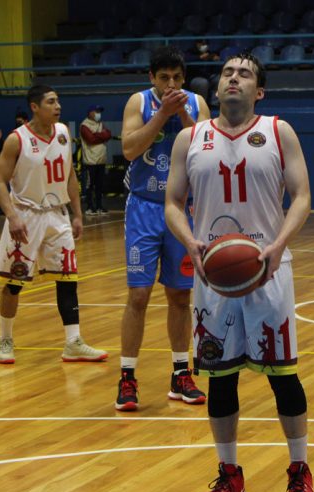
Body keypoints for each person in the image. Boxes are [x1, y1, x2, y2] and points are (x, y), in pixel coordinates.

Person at [165, 53, 314, 492]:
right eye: (228, 73)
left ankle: (299, 471)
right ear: (216, 89)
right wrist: (190, 243)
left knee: (283, 378)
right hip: (213, 273)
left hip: (269, 270)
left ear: (259, 91)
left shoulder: (277, 131)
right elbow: (172, 202)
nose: (233, 78)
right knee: (220, 379)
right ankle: (230, 475)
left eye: (244, 73)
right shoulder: (191, 138)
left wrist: (278, 245)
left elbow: (303, 196)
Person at [115, 45, 211, 411]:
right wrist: (160, 117)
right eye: (163, 77)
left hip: (183, 210)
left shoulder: (197, 102)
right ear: (152, 79)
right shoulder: (137, 103)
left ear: (183, 77)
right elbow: (128, 149)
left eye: (176, 77)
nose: (171, 83)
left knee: (180, 296)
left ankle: (180, 373)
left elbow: (207, 145)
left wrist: (181, 114)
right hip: (144, 206)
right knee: (138, 296)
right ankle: (127, 378)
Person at [0, 85, 107, 365]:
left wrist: (77, 214)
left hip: (57, 214)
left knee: (68, 279)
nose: (58, 106)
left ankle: (73, 342)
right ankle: (5, 339)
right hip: (26, 214)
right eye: (51, 102)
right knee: (14, 281)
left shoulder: (65, 133)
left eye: (58, 102)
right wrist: (12, 215)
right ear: (34, 106)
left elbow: (70, 177)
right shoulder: (16, 140)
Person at [79, 104, 112, 216]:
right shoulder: (84, 125)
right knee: (90, 185)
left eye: (99, 111)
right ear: (90, 113)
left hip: (101, 160)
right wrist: (101, 135)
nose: (98, 113)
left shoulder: (101, 124)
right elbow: (90, 139)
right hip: (90, 161)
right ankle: (89, 207)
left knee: (99, 185)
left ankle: (99, 206)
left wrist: (98, 135)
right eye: (96, 111)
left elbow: (108, 134)